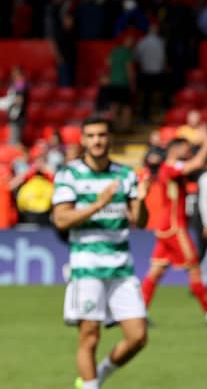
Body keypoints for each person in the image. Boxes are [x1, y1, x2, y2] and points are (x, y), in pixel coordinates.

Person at [52, 116, 149, 389]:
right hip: (87, 265)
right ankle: (91, 384)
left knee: (138, 336)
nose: (97, 141)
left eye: (102, 135)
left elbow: (139, 221)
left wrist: (141, 200)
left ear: (110, 138)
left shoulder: (125, 174)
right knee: (89, 336)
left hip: (122, 267)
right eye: (91, 136)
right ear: (83, 140)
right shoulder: (68, 174)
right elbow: (61, 219)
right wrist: (99, 204)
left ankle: (97, 378)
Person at [140, 127, 207, 326]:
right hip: (175, 228)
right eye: (185, 147)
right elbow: (198, 162)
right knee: (194, 267)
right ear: (175, 149)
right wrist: (206, 143)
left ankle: (139, 313)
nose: (188, 151)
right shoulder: (170, 167)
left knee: (155, 271)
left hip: (166, 228)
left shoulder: (171, 167)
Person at [135, 21, 166, 123]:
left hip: (147, 73)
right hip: (157, 73)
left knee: (147, 98)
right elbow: (164, 58)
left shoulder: (142, 42)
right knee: (158, 97)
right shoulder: (160, 42)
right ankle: (159, 117)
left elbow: (137, 57)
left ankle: (146, 117)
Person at [0, 65, 28, 144]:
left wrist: (8, 102)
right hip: (13, 117)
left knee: (14, 142)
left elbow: (20, 100)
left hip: (18, 118)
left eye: (15, 74)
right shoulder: (16, 85)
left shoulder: (21, 85)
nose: (13, 76)